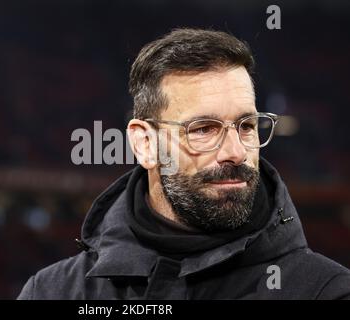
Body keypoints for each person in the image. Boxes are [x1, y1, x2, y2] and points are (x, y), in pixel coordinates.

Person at [18, 28, 350, 299]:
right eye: (204, 129)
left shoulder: (327, 291)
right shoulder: (52, 292)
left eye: (246, 126)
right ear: (145, 144)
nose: (235, 151)